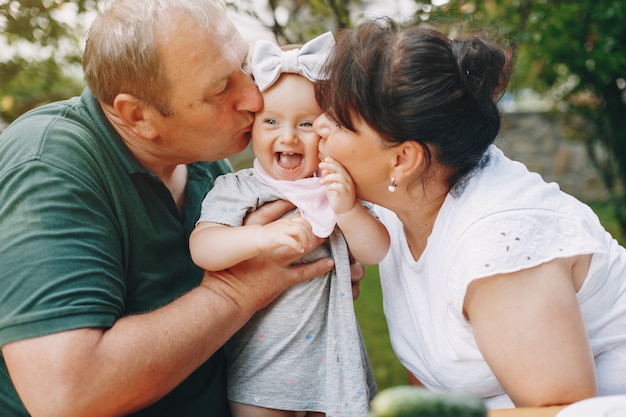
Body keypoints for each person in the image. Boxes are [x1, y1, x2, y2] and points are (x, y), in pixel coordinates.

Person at [0, 0, 354, 415]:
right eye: (220, 88)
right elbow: (66, 394)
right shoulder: (52, 167)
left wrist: (305, 283)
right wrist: (237, 292)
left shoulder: (204, 161)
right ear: (138, 116)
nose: (254, 97)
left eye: (243, 65)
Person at [313, 18, 626, 409]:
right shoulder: (408, 201)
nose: (320, 126)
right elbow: (430, 372)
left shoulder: (500, 249)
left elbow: (568, 410)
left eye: (340, 122)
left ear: (403, 159)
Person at [189, 32, 389, 417]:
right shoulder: (240, 189)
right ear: (252, 128)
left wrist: (347, 210)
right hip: (261, 367)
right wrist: (260, 236)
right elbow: (203, 247)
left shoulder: (337, 188)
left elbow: (376, 252)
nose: (288, 136)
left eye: (307, 124)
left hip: (332, 365)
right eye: (271, 121)